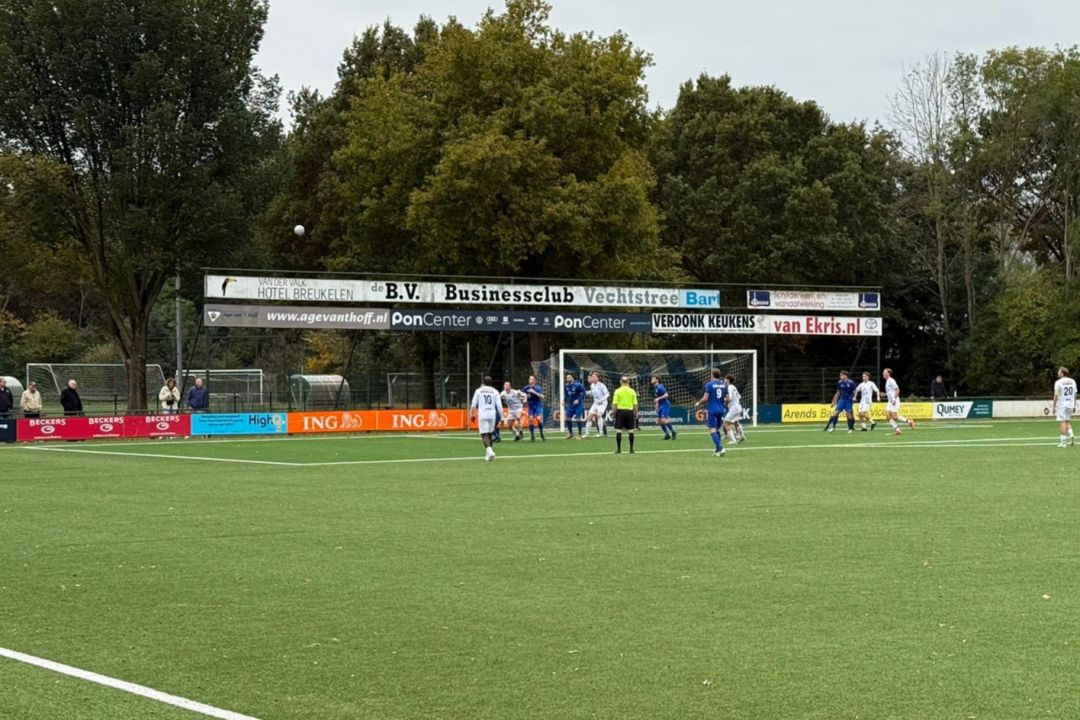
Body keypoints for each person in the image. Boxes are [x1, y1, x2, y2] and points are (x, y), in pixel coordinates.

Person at [694, 369, 728, 457]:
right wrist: (722, 403)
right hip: (721, 410)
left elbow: (705, 398)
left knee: (712, 430)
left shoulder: (709, 385)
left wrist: (698, 403)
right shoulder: (724, 385)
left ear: (712, 375)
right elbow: (728, 399)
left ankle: (721, 448)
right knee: (717, 430)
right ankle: (717, 451)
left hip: (712, 410)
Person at [470, 375, 502, 462]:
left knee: (484, 435)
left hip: (483, 415)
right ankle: (488, 456)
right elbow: (499, 406)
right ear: (491, 383)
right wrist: (502, 418)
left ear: (483, 383)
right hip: (492, 415)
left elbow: (473, 404)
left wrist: (472, 415)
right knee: (490, 434)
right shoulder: (495, 391)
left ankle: (490, 451)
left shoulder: (479, 390)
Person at [883, 368, 916, 435]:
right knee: (887, 416)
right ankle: (897, 430)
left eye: (884, 372)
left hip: (894, 400)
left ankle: (910, 421)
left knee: (894, 416)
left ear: (888, 373)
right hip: (890, 401)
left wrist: (894, 399)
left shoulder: (891, 380)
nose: (883, 373)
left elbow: (897, 390)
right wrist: (885, 394)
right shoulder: (887, 381)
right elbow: (891, 391)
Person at [611, 376, 638, 454]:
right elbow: (635, 404)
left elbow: (614, 404)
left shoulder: (617, 391)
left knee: (619, 430)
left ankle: (619, 449)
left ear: (621, 381)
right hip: (629, 412)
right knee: (631, 431)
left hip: (620, 412)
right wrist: (635, 413)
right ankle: (631, 449)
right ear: (628, 382)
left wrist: (613, 413)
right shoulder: (632, 391)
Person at [1053, 366, 1076, 448]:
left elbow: (1056, 395)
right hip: (1070, 404)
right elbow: (1075, 394)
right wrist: (1074, 405)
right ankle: (1072, 435)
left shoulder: (1058, 382)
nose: (1057, 373)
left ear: (1062, 373)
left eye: (1059, 371)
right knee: (1067, 421)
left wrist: (1054, 406)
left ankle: (1063, 443)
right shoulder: (1073, 381)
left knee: (1062, 422)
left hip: (1062, 405)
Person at [583, 371, 609, 438]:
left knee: (599, 415)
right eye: (592, 377)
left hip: (602, 403)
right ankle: (587, 433)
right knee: (589, 416)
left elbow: (607, 394)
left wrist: (602, 400)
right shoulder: (592, 385)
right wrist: (587, 393)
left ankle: (601, 433)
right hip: (595, 403)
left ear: (598, 378)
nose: (593, 378)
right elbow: (593, 393)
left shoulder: (602, 385)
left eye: (594, 377)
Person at [651, 375, 677, 440]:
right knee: (659, 421)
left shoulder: (660, 386)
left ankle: (673, 431)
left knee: (663, 420)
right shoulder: (655, 387)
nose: (651, 379)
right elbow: (657, 398)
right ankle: (667, 434)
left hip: (665, 404)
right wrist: (657, 405)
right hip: (661, 405)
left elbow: (666, 395)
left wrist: (658, 399)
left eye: (653, 378)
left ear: (657, 380)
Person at [522, 375, 546, 441]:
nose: (530, 380)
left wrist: (534, 392)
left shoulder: (537, 388)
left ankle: (541, 434)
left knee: (539, 419)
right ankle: (532, 436)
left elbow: (542, 397)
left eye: (532, 379)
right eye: (529, 379)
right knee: (530, 419)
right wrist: (521, 396)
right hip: (531, 406)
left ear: (535, 381)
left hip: (538, 405)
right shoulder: (526, 388)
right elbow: (521, 395)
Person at [723, 374, 746, 443]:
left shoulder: (729, 387)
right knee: (736, 422)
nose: (724, 380)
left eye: (725, 378)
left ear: (728, 380)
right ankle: (742, 436)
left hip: (734, 408)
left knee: (725, 423)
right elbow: (739, 396)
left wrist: (724, 402)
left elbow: (729, 398)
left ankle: (733, 440)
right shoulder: (734, 387)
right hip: (738, 406)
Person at [563, 373, 586, 439]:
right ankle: (571, 433)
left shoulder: (578, 385)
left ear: (573, 378)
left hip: (578, 404)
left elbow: (583, 393)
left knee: (578, 419)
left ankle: (579, 434)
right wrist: (564, 400)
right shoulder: (566, 386)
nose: (568, 378)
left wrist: (578, 400)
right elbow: (567, 394)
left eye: (569, 377)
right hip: (571, 405)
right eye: (567, 377)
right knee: (567, 419)